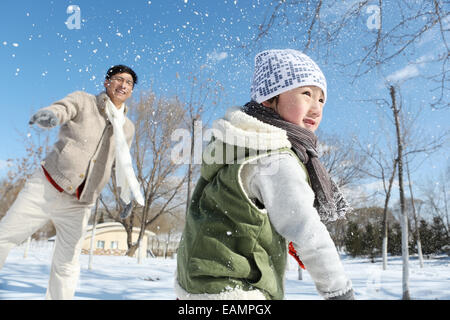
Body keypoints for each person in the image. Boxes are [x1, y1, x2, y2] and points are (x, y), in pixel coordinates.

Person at [176, 49, 354, 300]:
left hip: (197, 287)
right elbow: (308, 231)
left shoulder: (234, 147)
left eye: (322, 99)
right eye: (306, 93)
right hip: (240, 292)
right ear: (269, 99)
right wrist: (339, 291)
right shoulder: (275, 157)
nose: (316, 108)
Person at [0, 65, 144, 299]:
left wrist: (125, 194)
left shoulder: (127, 128)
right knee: (4, 236)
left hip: (80, 203)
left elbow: (120, 163)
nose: (124, 85)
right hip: (47, 186)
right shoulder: (84, 101)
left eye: (129, 82)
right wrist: (52, 115)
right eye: (118, 79)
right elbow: (63, 108)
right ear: (107, 82)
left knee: (67, 264)